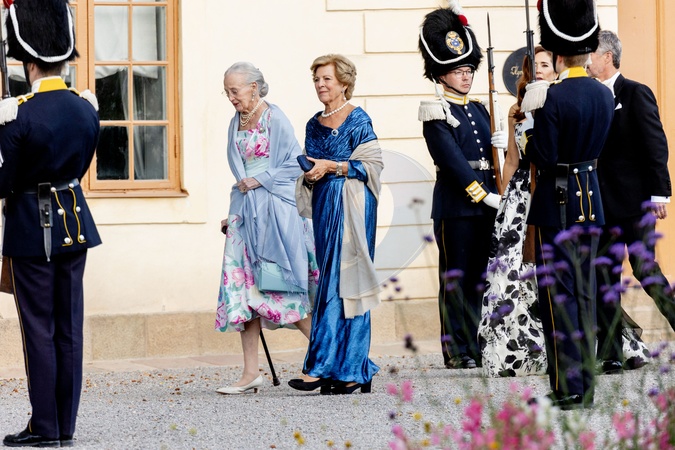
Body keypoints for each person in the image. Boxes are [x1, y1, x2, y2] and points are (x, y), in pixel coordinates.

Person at [0, 0, 102, 447]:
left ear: (27, 63)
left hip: (29, 227)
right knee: (69, 327)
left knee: (38, 328)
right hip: (74, 223)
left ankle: (44, 426)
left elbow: (2, 182)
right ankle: (65, 425)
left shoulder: (17, 113)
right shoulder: (85, 107)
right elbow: (80, 166)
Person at [525, 0, 614, 410]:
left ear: (559, 55)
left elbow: (543, 156)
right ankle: (587, 384)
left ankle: (568, 386)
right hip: (590, 198)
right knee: (585, 294)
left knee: (558, 298)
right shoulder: (602, 92)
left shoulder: (552, 97)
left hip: (556, 202)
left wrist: (527, 133)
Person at [215, 62, 318, 394]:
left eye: (235, 91)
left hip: (275, 216)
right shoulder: (236, 122)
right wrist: (233, 214)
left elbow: (295, 164)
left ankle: (328, 356)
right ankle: (250, 373)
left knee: (280, 287)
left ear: (254, 87)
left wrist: (260, 180)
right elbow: (240, 175)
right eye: (227, 92)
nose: (231, 97)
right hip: (247, 214)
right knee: (245, 292)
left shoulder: (275, 118)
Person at [417, 1, 508, 369]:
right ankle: (457, 349)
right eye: (458, 71)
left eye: (469, 70)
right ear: (441, 74)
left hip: (487, 204)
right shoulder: (435, 111)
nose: (466, 76)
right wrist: (483, 195)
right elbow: (452, 161)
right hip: (457, 206)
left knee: (480, 279)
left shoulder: (481, 109)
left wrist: (505, 146)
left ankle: (478, 343)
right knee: (456, 279)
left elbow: (492, 156)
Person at [290, 54, 383, 395]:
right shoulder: (313, 124)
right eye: (316, 79)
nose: (320, 85)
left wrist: (333, 166)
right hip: (325, 204)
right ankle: (340, 368)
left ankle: (338, 368)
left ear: (344, 82)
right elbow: (312, 163)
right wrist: (312, 173)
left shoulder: (359, 119)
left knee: (348, 281)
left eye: (326, 79)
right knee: (328, 280)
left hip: (354, 206)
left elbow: (372, 166)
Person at [586, 29, 673, 374]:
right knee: (604, 276)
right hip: (602, 206)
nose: (587, 61)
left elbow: (656, 144)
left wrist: (659, 193)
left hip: (636, 204)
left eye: (592, 54)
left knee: (644, 269)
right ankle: (610, 354)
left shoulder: (636, 93)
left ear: (608, 57)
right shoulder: (590, 95)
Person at [478, 46, 556, 377]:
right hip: (521, 193)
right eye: (533, 65)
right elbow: (511, 158)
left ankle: (557, 344)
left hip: (551, 188)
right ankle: (518, 347)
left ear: (556, 69)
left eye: (545, 64)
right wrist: (504, 198)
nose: (539, 69)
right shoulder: (517, 108)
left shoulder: (560, 101)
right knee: (511, 268)